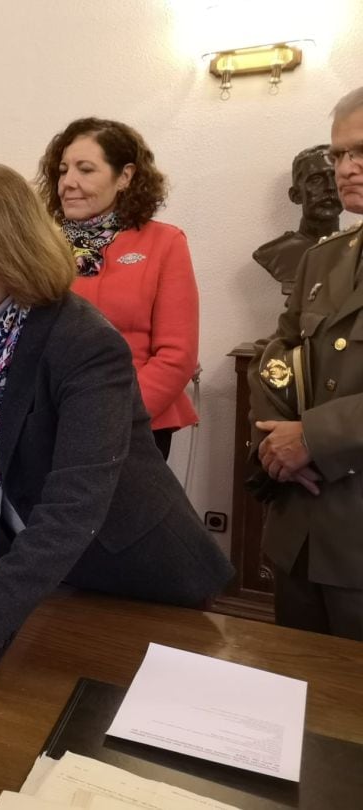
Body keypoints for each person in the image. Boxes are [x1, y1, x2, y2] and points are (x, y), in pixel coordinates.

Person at [0, 164, 233, 697]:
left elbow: (73, 510)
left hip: (134, 579)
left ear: (8, 259)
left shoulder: (85, 345)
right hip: (53, 579)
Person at [246, 86, 363, 642]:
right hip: (302, 526)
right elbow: (278, 354)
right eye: (340, 154)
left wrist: (313, 437)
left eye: (361, 151)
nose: (347, 168)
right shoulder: (324, 257)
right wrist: (276, 441)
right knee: (293, 689)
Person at [36, 118, 199, 460]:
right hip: (51, 421)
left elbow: (176, 356)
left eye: (85, 170)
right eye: (63, 170)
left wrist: (108, 415)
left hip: (134, 424)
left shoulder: (165, 242)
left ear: (124, 176)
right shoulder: (40, 245)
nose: (68, 183)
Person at [253, 144, 343, 296]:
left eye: (336, 177)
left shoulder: (357, 250)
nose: (330, 188)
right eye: (316, 180)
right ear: (295, 195)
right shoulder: (273, 254)